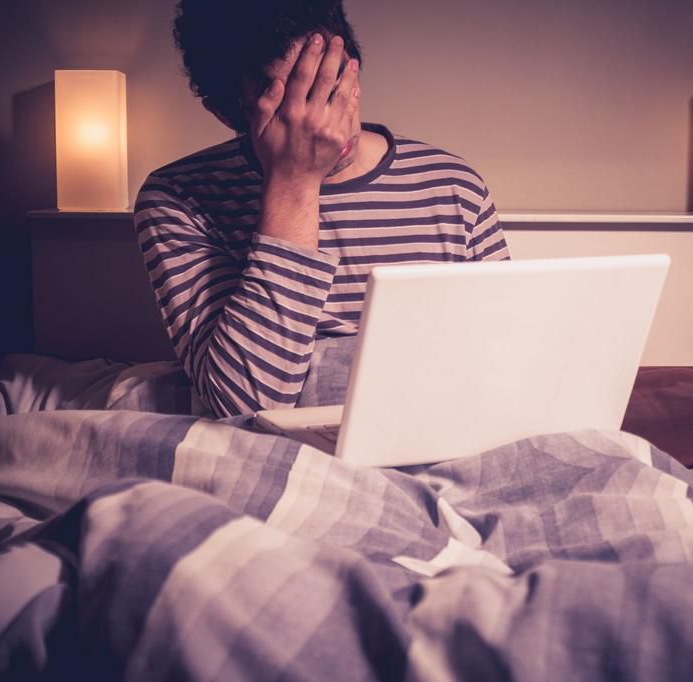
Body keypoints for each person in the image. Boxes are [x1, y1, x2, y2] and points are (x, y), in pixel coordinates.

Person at [135, 0, 510, 418]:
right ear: (225, 113)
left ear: (353, 70)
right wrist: (294, 181)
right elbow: (245, 406)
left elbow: (504, 366)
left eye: (329, 91)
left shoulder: (455, 186)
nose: (325, 127)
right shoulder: (178, 196)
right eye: (287, 109)